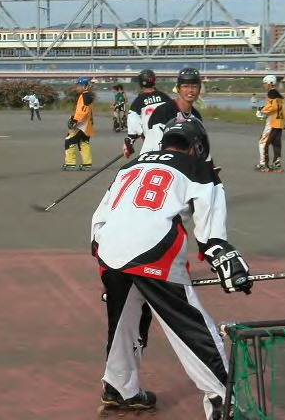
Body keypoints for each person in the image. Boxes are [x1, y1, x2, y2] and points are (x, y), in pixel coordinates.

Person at [91, 117, 252, 419]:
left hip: (109, 249)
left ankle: (119, 388)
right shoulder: (199, 168)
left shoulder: (130, 166)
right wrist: (222, 258)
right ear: (198, 147)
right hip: (155, 251)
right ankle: (223, 400)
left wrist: (107, 256)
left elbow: (100, 217)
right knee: (192, 327)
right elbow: (211, 230)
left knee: (124, 321)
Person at [122, 69, 172, 157]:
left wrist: (130, 141)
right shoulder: (165, 97)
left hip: (150, 144)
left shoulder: (138, 102)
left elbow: (133, 127)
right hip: (170, 142)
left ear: (140, 83)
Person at [255, 75, 285, 173]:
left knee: (263, 143)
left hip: (272, 123)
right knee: (276, 144)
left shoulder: (271, 93)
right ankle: (276, 164)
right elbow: (277, 107)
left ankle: (263, 164)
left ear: (270, 83)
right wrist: (264, 108)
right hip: (280, 123)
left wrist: (262, 111)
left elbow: (273, 107)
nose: (264, 85)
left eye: (265, 83)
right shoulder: (279, 95)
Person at [63, 77, 94, 171]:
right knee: (84, 142)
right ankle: (87, 164)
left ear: (85, 86)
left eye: (79, 85)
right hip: (87, 125)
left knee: (69, 141)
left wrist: (75, 120)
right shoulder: (87, 96)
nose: (77, 87)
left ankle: (70, 163)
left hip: (81, 125)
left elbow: (83, 111)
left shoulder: (84, 96)